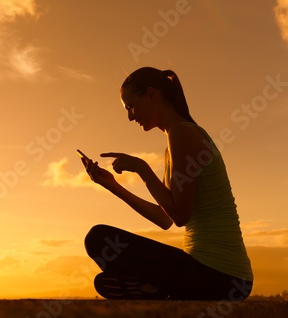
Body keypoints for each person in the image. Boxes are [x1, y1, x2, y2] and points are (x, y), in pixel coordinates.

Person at [81, 67, 253, 301]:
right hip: (217, 276)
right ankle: (154, 289)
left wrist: (142, 168)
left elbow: (180, 216)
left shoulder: (183, 134)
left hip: (222, 276)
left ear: (152, 95)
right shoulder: (172, 145)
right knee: (101, 247)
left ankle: (156, 288)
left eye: (131, 106)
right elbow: (165, 218)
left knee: (99, 239)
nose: (130, 117)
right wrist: (113, 186)